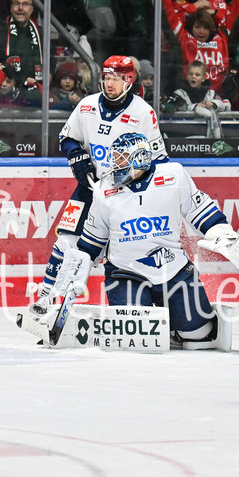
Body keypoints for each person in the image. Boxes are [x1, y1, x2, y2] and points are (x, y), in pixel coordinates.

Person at [43, 133, 239, 349]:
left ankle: (177, 325)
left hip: (174, 270)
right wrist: (78, 269)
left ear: (140, 157)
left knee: (199, 338)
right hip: (125, 274)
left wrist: (223, 233)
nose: (116, 163)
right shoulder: (105, 189)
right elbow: (92, 242)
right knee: (136, 340)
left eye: (121, 158)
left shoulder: (174, 176)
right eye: (115, 158)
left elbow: (201, 211)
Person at [22, 55, 169, 320]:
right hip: (89, 189)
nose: (109, 83)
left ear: (129, 80)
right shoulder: (87, 106)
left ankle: (143, 304)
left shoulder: (143, 112)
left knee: (120, 250)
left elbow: (159, 159)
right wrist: (77, 157)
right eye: (106, 78)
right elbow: (67, 138)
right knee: (66, 242)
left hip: (125, 193)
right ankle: (46, 299)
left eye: (115, 78)